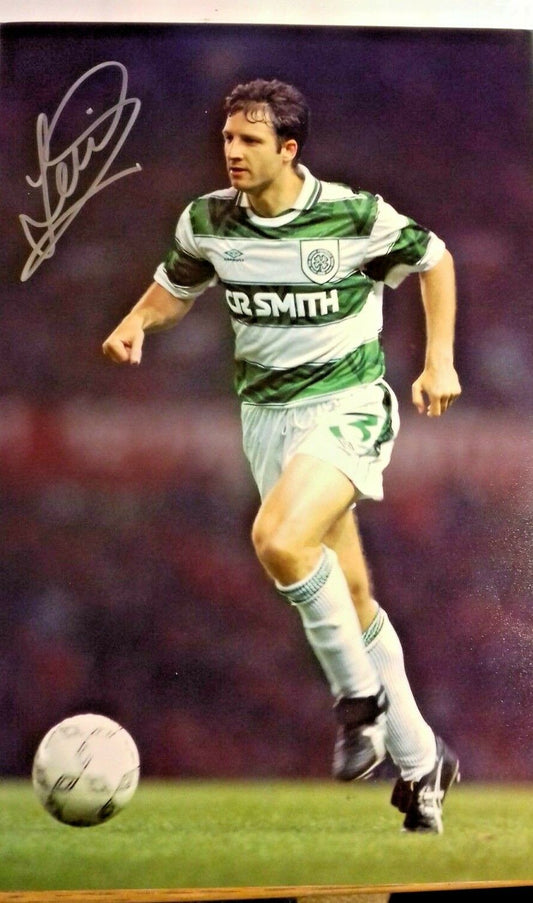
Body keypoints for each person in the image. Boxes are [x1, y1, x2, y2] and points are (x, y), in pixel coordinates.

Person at [102, 78, 462, 833]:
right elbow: (176, 287)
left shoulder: (352, 215)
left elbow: (434, 259)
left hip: (347, 406)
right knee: (351, 596)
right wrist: (137, 320)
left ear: (288, 149)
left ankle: (358, 705)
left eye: (249, 140)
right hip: (266, 420)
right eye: (227, 138)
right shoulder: (208, 220)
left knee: (277, 538)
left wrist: (438, 361)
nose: (232, 151)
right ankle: (422, 758)